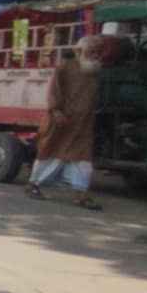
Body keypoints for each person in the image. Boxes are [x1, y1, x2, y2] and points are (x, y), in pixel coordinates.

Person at [28, 35, 105, 210]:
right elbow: (54, 91)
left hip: (83, 124)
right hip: (62, 121)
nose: (95, 55)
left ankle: (81, 194)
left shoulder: (94, 71)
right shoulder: (65, 67)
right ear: (79, 51)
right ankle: (33, 184)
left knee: (83, 159)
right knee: (50, 152)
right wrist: (55, 110)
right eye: (91, 51)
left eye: (97, 52)